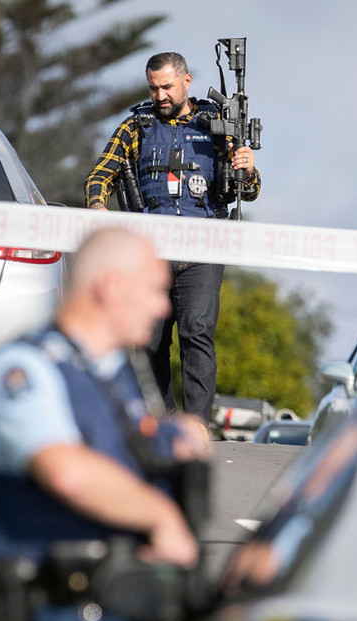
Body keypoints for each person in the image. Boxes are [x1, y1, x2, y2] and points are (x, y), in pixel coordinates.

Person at [0, 228, 211, 621]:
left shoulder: (118, 372)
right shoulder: (24, 370)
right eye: (155, 289)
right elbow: (67, 471)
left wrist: (173, 437)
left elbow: (120, 448)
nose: (164, 307)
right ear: (110, 286)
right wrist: (162, 517)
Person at [84, 51, 261, 430]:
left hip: (203, 247)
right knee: (149, 341)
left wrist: (248, 167)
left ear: (186, 82)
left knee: (197, 334)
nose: (160, 95)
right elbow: (100, 173)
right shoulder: (136, 127)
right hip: (150, 252)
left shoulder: (216, 124)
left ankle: (196, 428)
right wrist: (98, 204)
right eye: (153, 88)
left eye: (166, 86)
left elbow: (249, 191)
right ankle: (161, 427)